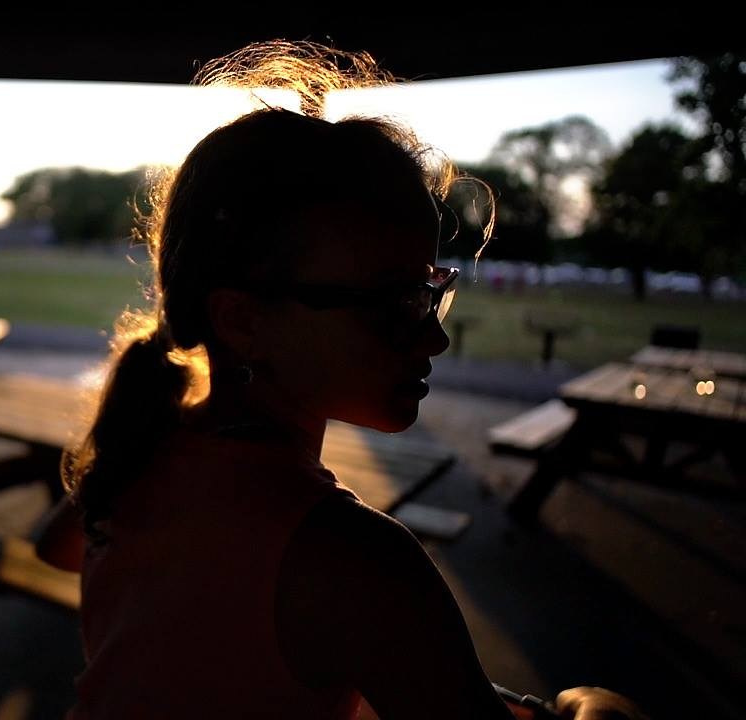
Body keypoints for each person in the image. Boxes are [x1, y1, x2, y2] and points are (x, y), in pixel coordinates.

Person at [46, 42, 647, 719]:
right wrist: (591, 710)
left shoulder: (141, 452)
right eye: (391, 304)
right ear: (242, 320)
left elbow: (65, 551)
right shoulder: (359, 560)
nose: (434, 335)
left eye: (429, 292)